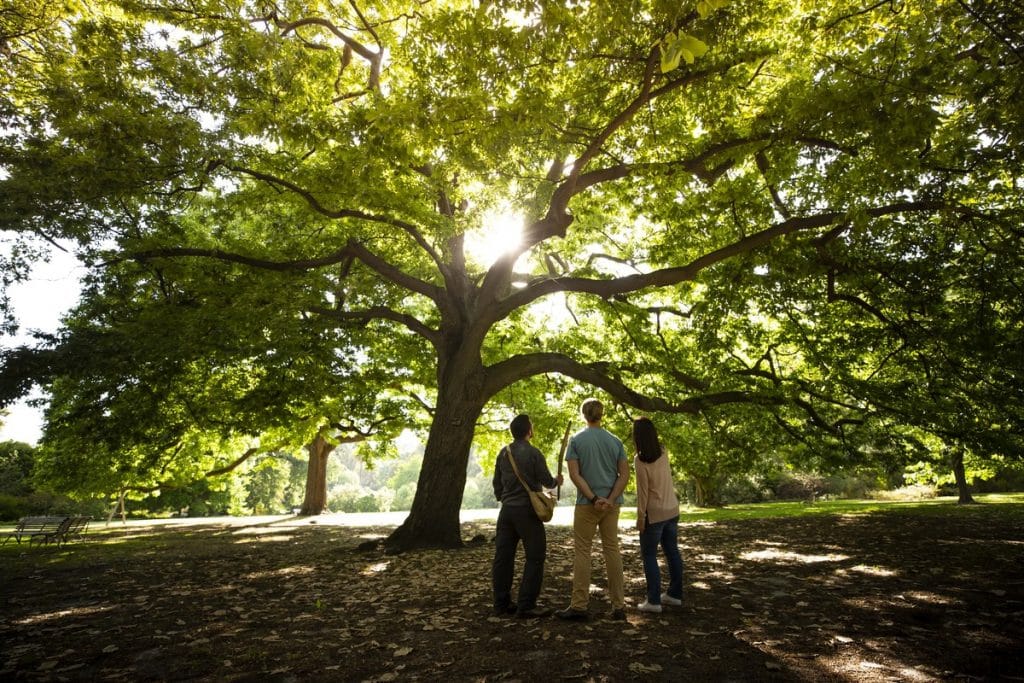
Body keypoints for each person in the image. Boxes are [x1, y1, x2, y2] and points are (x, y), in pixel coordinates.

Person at [556, 398, 630, 621]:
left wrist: (594, 498)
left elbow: (574, 474)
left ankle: (579, 606)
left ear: (584, 415)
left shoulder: (576, 440)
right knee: (612, 550)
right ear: (601, 414)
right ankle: (619, 606)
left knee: (583, 552)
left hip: (587, 504)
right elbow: (624, 475)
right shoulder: (615, 441)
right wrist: (609, 499)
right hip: (611, 505)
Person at [492, 414, 563, 618]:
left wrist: (504, 498)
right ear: (529, 431)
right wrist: (556, 481)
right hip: (528, 512)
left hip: (506, 512)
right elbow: (546, 481)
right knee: (535, 556)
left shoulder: (503, 453)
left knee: (503, 558)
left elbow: (497, 483)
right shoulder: (533, 453)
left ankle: (501, 604)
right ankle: (527, 605)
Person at [632, 416, 683, 613]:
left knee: (649, 555)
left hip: (654, 514)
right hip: (672, 509)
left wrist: (640, 518)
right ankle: (675, 595)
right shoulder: (663, 451)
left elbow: (642, 492)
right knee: (672, 553)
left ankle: (653, 601)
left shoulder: (640, 460)